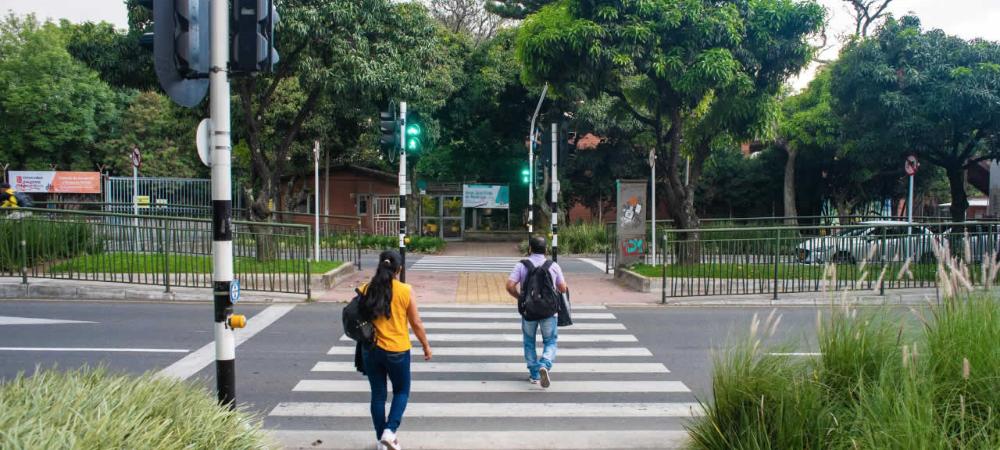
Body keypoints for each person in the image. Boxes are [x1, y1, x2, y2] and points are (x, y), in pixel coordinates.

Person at [360, 250, 432, 450]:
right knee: (401, 391)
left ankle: (381, 440)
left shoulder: (366, 289)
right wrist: (426, 345)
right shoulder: (405, 290)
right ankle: (390, 432)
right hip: (397, 351)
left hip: (371, 350)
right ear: (398, 269)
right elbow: (416, 322)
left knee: (378, 395)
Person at [506, 236, 569, 388]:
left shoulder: (522, 265)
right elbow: (562, 288)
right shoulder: (553, 266)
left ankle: (534, 374)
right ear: (546, 250)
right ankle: (545, 364)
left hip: (528, 310)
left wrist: (520, 297)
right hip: (549, 311)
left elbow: (509, 285)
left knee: (529, 341)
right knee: (550, 341)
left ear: (529, 249)